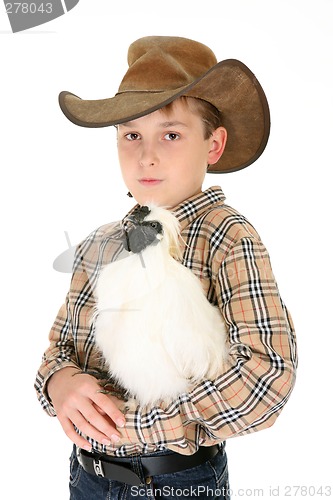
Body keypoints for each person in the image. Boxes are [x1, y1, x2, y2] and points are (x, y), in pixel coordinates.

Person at [35, 36, 297, 499]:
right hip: (87, 480)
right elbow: (60, 349)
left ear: (213, 145)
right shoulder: (99, 245)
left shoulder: (228, 237)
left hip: (176, 482)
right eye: (131, 134)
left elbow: (265, 376)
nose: (146, 155)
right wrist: (59, 383)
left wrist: (129, 426)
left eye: (170, 134)